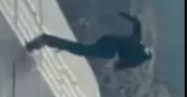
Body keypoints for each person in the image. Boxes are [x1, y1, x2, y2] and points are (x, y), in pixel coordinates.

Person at [25, 11, 153, 70]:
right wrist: (114, 66)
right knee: (82, 50)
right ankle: (47, 40)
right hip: (110, 50)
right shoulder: (137, 60)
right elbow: (122, 65)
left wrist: (123, 14)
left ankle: (50, 42)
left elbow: (137, 23)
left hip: (108, 39)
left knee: (87, 51)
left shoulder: (138, 40)